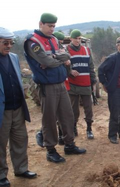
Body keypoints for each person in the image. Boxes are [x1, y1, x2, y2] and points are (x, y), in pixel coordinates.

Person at [23, 13, 86, 164]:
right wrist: (57, 60)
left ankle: (69, 144)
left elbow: (65, 56)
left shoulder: (54, 39)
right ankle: (51, 150)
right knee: (50, 119)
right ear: (41, 24)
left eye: (54, 26)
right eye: (49, 26)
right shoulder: (32, 42)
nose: (52, 29)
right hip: (47, 85)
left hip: (60, 82)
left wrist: (54, 59)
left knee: (67, 115)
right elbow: (47, 61)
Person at [0, 27, 37, 187]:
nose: (9, 46)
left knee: (20, 140)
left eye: (11, 43)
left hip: (17, 108)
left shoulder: (14, 58)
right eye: (5, 43)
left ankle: (21, 169)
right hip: (2, 111)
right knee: (1, 144)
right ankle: (1, 175)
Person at [98, 36, 120, 144]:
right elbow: (100, 70)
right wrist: (105, 83)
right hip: (115, 90)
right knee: (115, 113)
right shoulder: (112, 58)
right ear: (117, 46)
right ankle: (112, 135)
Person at [35, 31, 66, 147]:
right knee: (51, 116)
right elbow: (50, 61)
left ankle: (62, 137)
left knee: (63, 116)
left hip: (63, 83)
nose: (61, 45)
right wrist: (61, 59)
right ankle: (42, 134)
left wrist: (57, 59)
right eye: (60, 42)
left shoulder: (58, 48)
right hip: (51, 83)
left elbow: (67, 60)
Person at [66, 29, 97, 139]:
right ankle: (74, 128)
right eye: (75, 38)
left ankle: (89, 129)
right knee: (74, 110)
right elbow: (62, 65)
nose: (78, 41)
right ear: (71, 39)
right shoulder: (66, 50)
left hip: (85, 83)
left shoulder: (86, 50)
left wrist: (93, 81)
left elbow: (91, 67)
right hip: (73, 84)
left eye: (79, 38)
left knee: (88, 109)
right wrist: (69, 71)